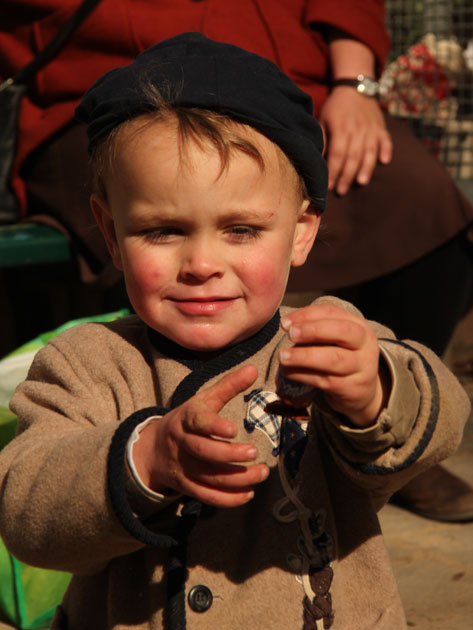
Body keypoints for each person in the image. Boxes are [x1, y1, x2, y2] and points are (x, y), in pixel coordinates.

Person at [0, 33, 469, 630]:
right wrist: (146, 458)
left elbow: (442, 412)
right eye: (163, 230)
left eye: (241, 230)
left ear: (301, 232)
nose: (201, 264)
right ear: (111, 232)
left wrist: (376, 389)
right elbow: (25, 510)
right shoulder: (88, 363)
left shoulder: (327, 343)